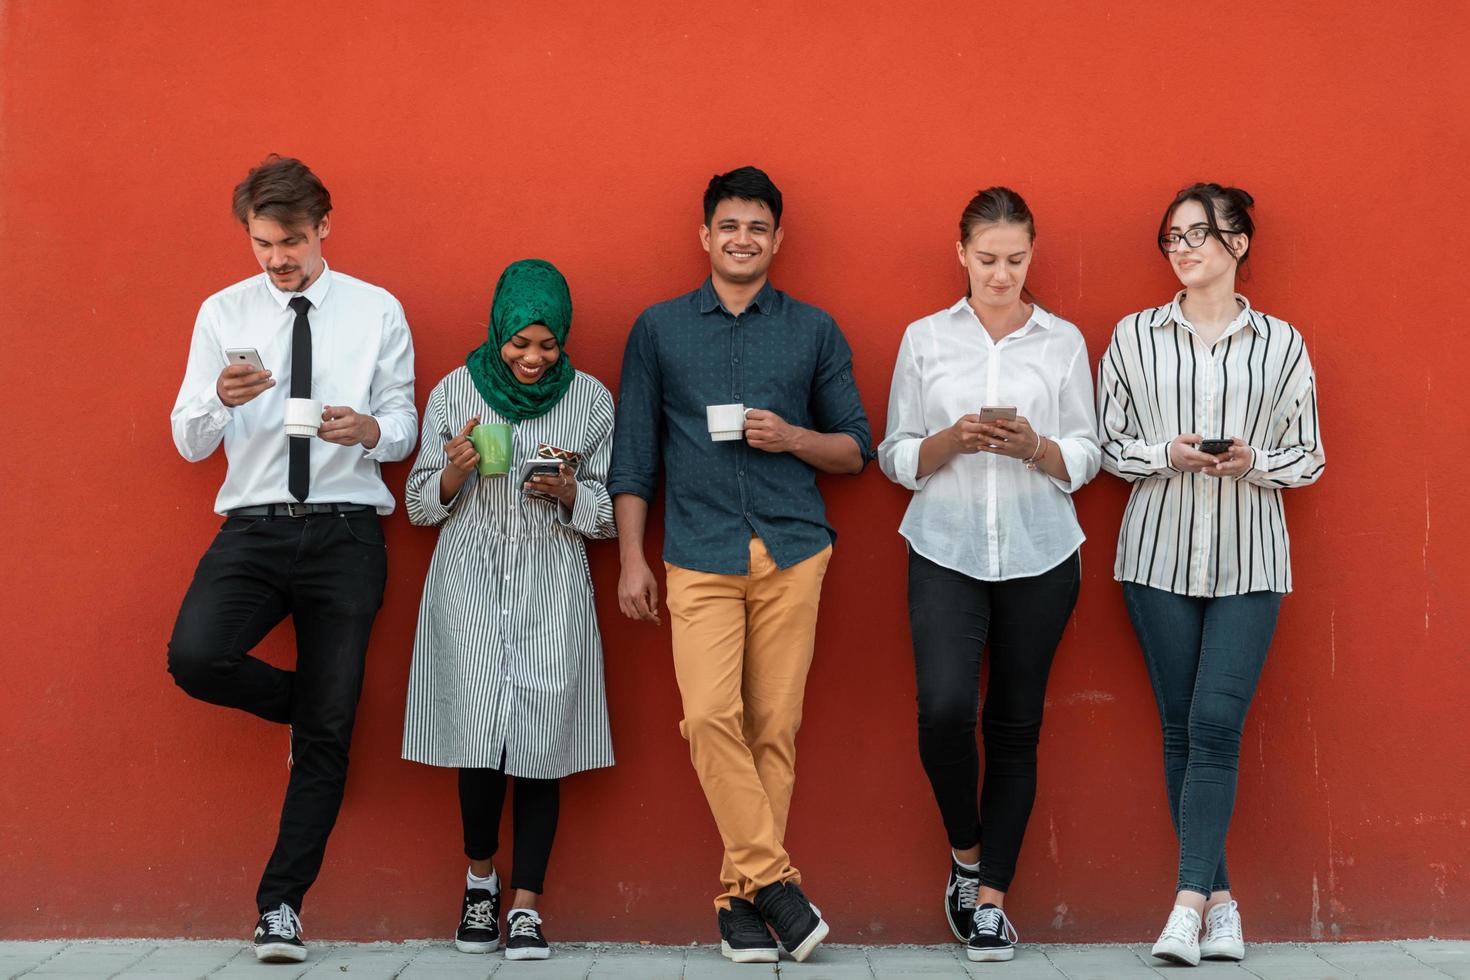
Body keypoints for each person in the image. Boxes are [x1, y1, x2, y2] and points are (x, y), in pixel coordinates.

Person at [608, 166, 871, 964]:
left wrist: (790, 436)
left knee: (775, 729)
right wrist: (630, 560)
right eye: (729, 225)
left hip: (794, 549)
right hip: (696, 551)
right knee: (710, 716)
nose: (742, 239)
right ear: (706, 236)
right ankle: (777, 883)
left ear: (777, 239)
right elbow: (632, 457)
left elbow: (856, 447)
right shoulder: (657, 330)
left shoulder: (814, 330)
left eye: (757, 227)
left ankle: (740, 905)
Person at [166, 155, 417, 963]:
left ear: (324, 228)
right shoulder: (222, 312)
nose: (278, 260)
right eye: (263, 243)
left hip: (346, 528)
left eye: (293, 243)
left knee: (328, 738)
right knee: (196, 657)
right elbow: (186, 436)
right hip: (256, 525)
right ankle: (311, 707)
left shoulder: (376, 310)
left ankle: (281, 907)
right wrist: (219, 401)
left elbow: (404, 424)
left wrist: (368, 432)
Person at [1097, 183, 1325, 966]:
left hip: (1251, 558)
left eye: (1199, 233)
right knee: (1181, 728)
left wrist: (1253, 460)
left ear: (1240, 244)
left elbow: (1311, 456)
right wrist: (1169, 453)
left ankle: (1186, 905)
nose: (1183, 248)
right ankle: (1222, 904)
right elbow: (1108, 444)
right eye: (1171, 236)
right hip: (1156, 555)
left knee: (1216, 724)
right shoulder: (1133, 336)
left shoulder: (1283, 344)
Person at [877, 187, 1100, 962]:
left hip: (1042, 554)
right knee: (942, 711)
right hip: (945, 546)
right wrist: (952, 441)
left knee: (1015, 725)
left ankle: (993, 902)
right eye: (987, 259)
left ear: (1031, 255)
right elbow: (895, 455)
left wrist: (1036, 446)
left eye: (1015, 260)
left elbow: (1086, 454)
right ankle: (966, 856)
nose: (1001, 274)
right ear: (961, 254)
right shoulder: (925, 339)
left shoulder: (1063, 342)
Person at [401, 258, 616, 962]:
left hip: (551, 576)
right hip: (469, 572)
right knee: (479, 732)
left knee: (542, 741)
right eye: (519, 343)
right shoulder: (455, 391)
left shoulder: (590, 401)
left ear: (564, 339)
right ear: (497, 331)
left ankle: (527, 906)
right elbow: (419, 505)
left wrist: (568, 494)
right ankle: (480, 883)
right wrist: (458, 469)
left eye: (546, 345)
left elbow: (611, 513)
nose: (531, 358)